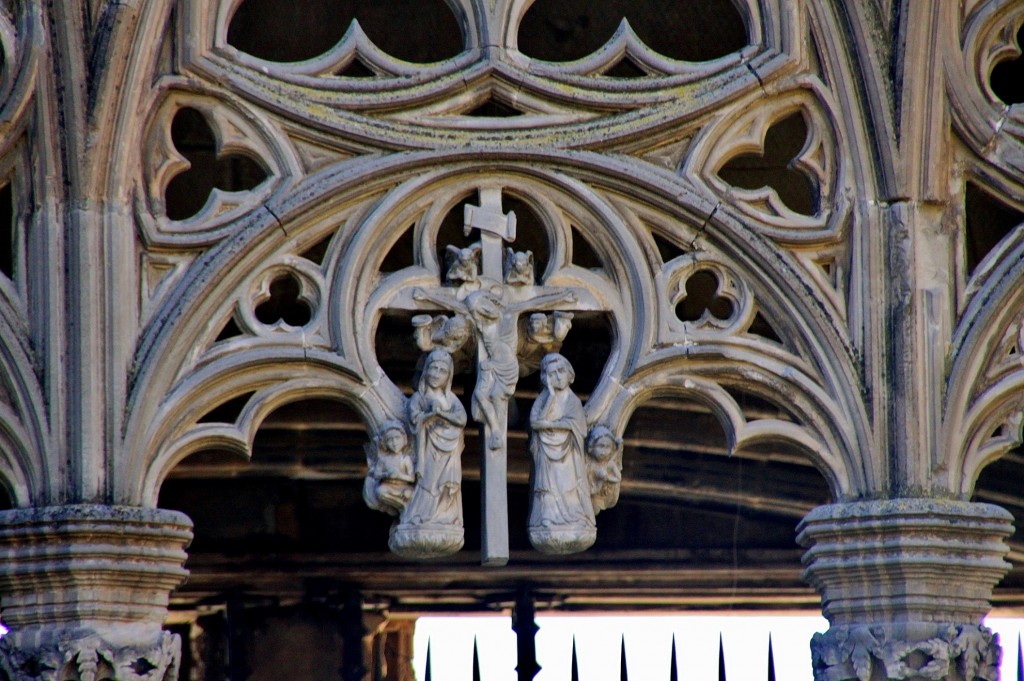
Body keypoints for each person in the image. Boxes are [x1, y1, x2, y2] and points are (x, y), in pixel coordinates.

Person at [390, 349, 467, 557]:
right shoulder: (420, 397)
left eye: (442, 370)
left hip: (449, 452)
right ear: (426, 371)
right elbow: (414, 419)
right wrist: (428, 416)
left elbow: (461, 419)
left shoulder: (450, 399)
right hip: (428, 448)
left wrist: (442, 414)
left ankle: (447, 517)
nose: (436, 373)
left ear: (448, 376)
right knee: (429, 483)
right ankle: (420, 516)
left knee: (447, 487)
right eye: (433, 368)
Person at [528, 353, 596, 553]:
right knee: (548, 488)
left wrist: (550, 425)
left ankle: (573, 517)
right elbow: (535, 421)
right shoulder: (544, 398)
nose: (557, 377)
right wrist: (549, 395)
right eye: (551, 374)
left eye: (560, 372)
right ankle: (547, 518)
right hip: (547, 455)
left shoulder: (573, 401)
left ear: (569, 375)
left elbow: (579, 427)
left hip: (568, 455)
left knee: (568, 486)